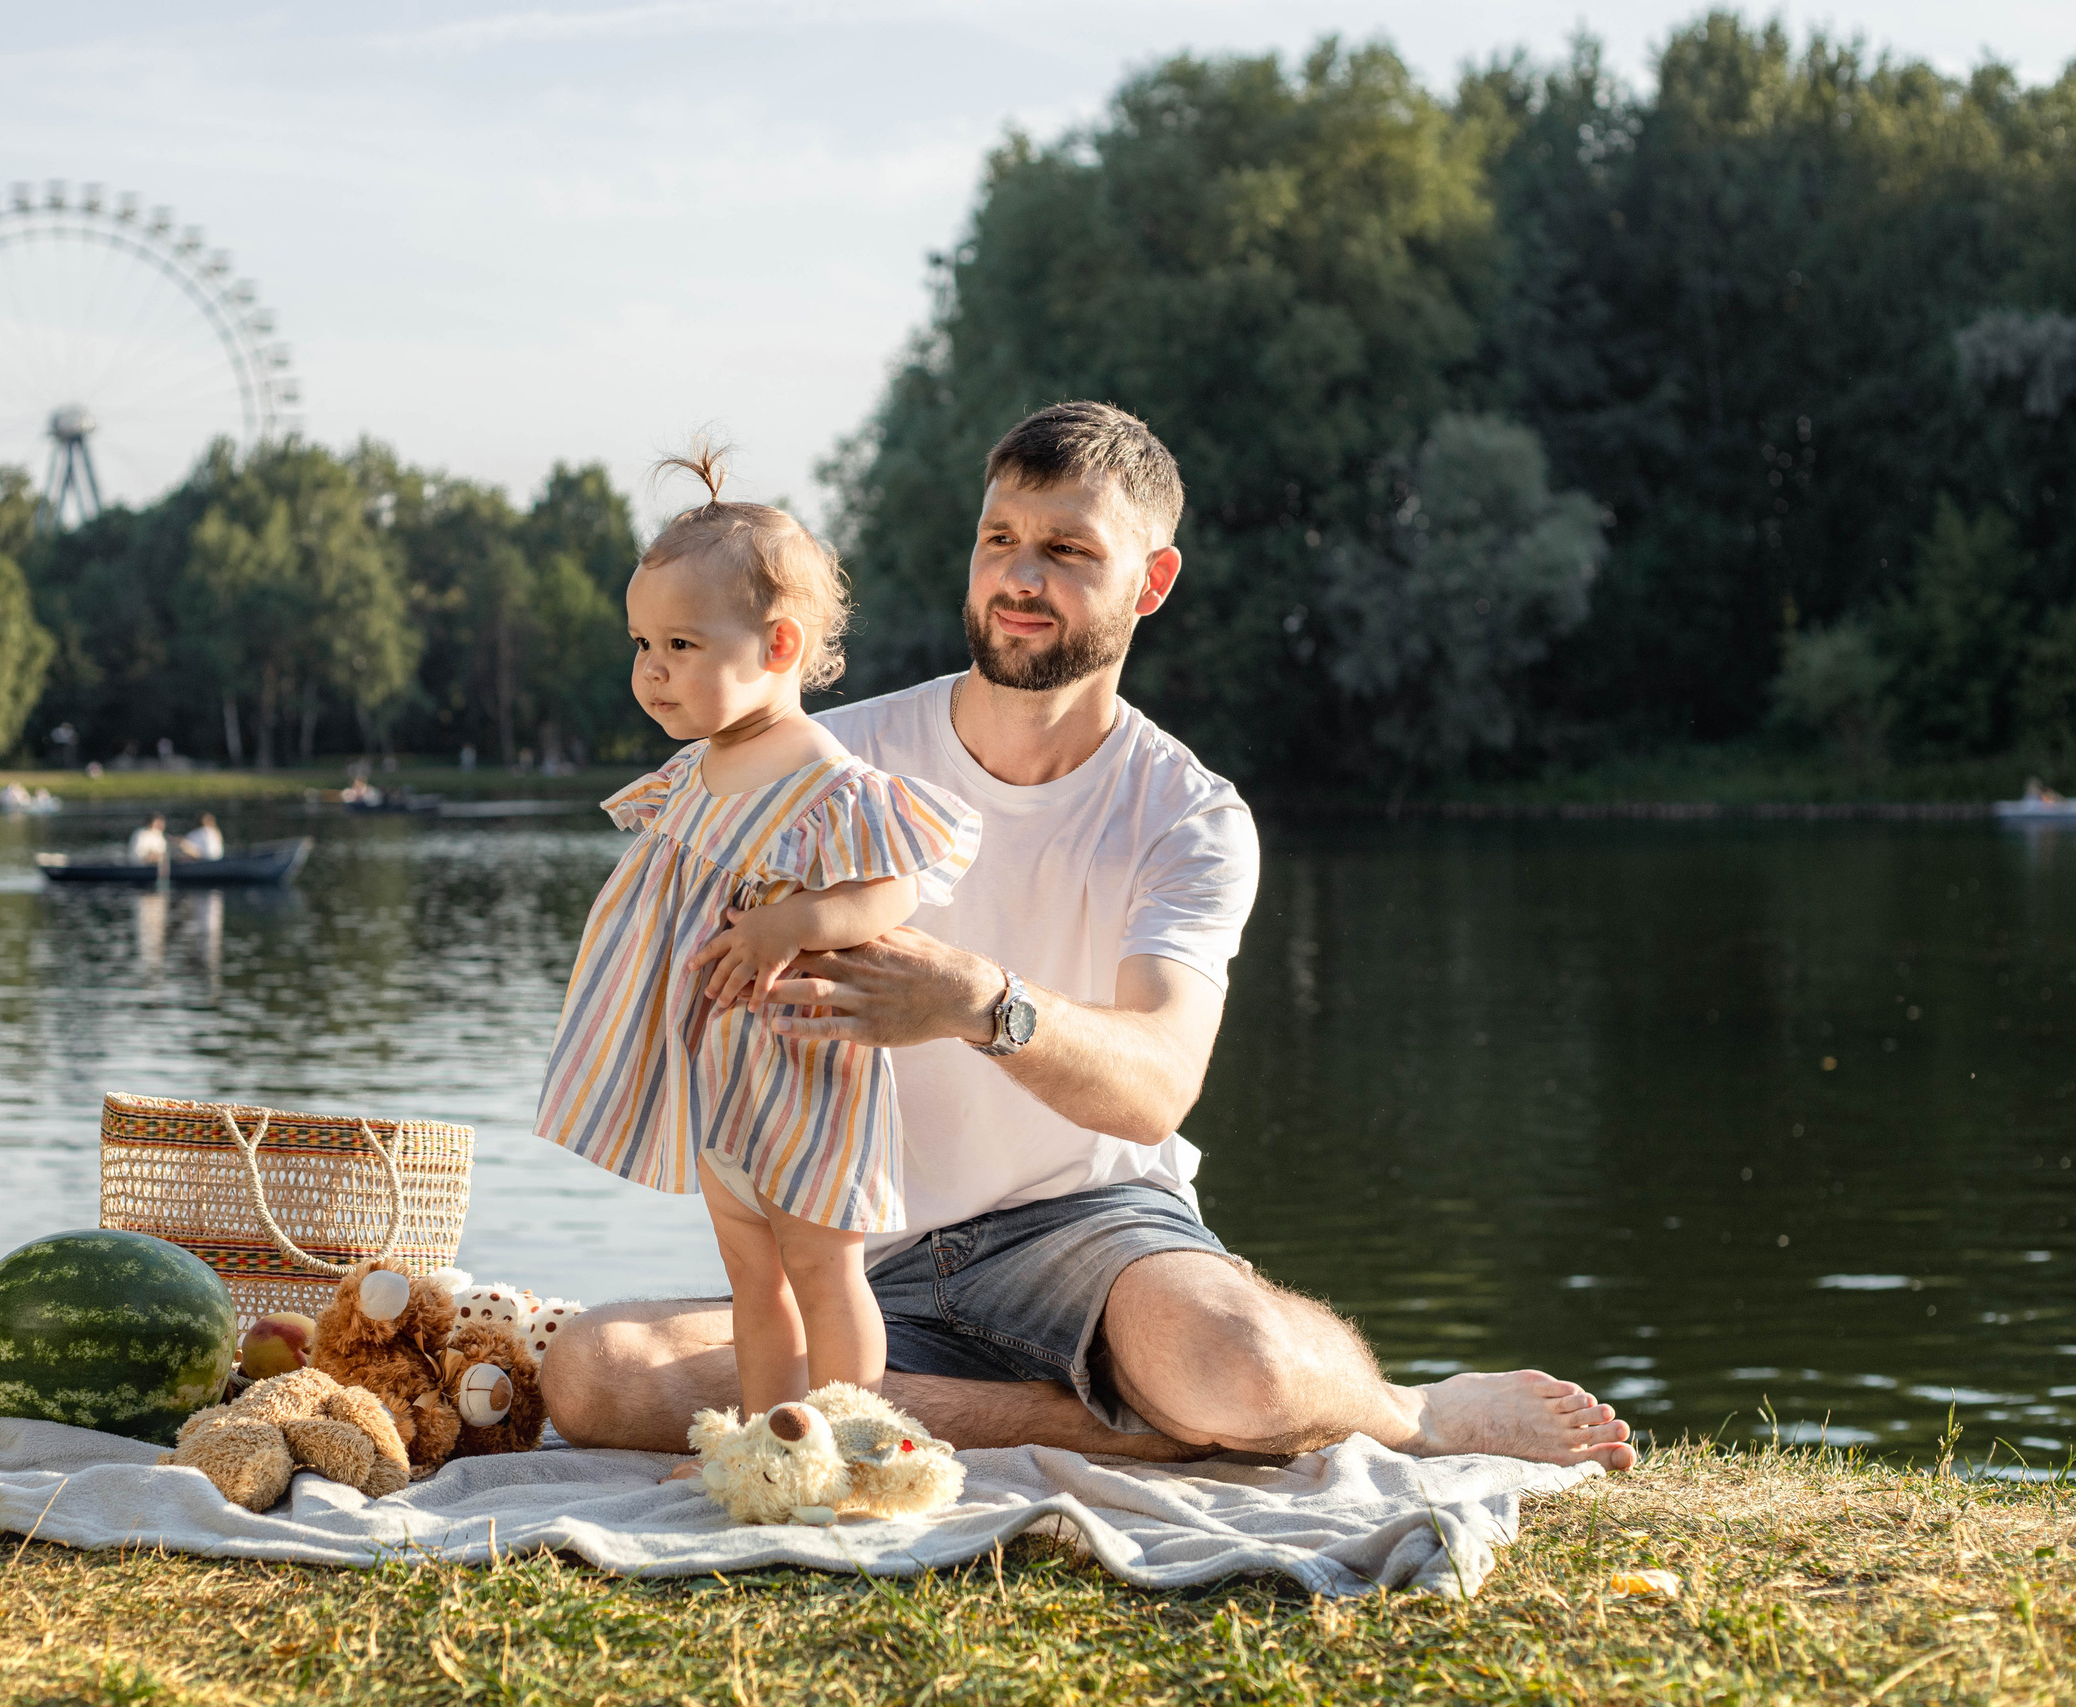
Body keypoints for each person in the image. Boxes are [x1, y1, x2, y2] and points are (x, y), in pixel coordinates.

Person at [545, 402, 1636, 1473]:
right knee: (597, 1373)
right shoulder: (824, 759)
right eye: (999, 540)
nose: (1019, 578)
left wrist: (981, 1003)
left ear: (1151, 582)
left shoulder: (1189, 814)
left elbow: (1158, 1084)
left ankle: (1408, 1409)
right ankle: (1129, 1430)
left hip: (1090, 1235)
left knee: (1246, 1366)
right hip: (859, 1245)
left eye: (1066, 551)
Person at [533, 445, 980, 1421]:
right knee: (751, 1278)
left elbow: (896, 888)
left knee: (824, 1270)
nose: (651, 671)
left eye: (681, 645)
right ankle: (771, 1438)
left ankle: (852, 1434)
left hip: (805, 1072)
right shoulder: (695, 773)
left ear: (778, 647)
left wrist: (799, 920)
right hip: (717, 1069)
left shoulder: (823, 777)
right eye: (641, 644)